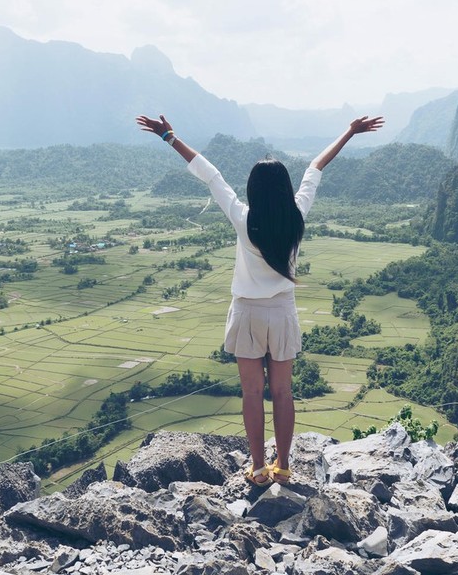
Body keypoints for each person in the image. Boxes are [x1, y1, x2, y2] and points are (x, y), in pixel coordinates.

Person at [135, 113, 384, 485]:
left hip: (247, 313)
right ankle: (283, 466)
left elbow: (211, 174)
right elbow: (316, 166)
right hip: (282, 313)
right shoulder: (296, 216)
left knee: (252, 393)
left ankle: (257, 467)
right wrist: (350, 131)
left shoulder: (242, 218)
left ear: (253, 190)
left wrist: (169, 136)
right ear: (284, 189)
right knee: (283, 392)